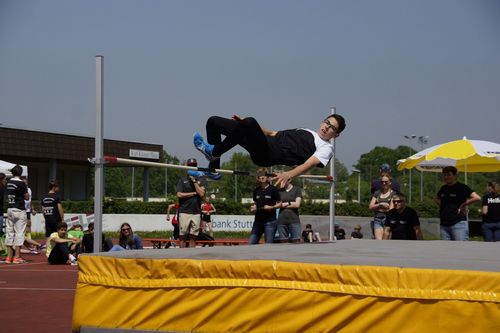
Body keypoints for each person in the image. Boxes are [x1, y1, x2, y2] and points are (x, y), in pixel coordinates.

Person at [193, 114, 346, 187]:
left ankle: (213, 153)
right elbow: (273, 133)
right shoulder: (305, 130)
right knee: (213, 122)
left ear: (336, 135)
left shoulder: (327, 147)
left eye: (332, 127)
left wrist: (289, 174)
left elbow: (309, 164)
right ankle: (213, 170)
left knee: (250, 121)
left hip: (268, 154)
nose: (326, 127)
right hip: (264, 141)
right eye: (327, 122)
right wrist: (244, 126)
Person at [435, 166, 481, 241]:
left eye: (449, 174)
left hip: (458, 224)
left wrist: (464, 204)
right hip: (444, 225)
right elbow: (436, 198)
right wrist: (443, 206)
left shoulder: (462, 187)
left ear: (455, 176)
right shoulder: (443, 188)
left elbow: (477, 198)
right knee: (445, 250)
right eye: (444, 175)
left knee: (460, 250)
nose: (446, 177)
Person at [176, 158, 206, 248]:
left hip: (196, 212)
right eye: (190, 166)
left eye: (194, 165)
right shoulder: (182, 180)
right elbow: (179, 194)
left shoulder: (201, 179)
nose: (192, 167)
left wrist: (194, 181)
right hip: (184, 211)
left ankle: (191, 256)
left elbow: (201, 194)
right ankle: (182, 257)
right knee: (183, 237)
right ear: (187, 167)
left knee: (193, 237)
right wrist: (193, 193)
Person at [248, 168, 281, 244]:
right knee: (251, 243)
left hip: (270, 221)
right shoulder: (256, 190)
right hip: (258, 221)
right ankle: (254, 256)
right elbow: (255, 204)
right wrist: (253, 208)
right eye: (260, 176)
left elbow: (280, 203)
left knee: (268, 245)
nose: (262, 177)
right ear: (258, 178)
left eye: (264, 175)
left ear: (267, 177)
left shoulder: (273, 189)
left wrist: (272, 207)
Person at [5, 165, 29, 264]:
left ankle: (8, 257)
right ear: (21, 173)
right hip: (19, 209)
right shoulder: (22, 183)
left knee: (9, 233)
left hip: (10, 208)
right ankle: (17, 257)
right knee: (19, 233)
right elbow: (26, 197)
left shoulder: (8, 182)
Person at [368, 174, 395, 240]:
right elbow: (370, 207)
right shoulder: (377, 193)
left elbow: (391, 210)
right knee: (379, 242)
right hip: (378, 220)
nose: (384, 183)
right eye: (382, 182)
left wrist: (377, 208)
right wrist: (381, 204)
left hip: (388, 220)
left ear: (390, 182)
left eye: (386, 181)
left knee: (387, 242)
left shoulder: (393, 194)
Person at [276, 178, 302, 243]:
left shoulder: (297, 189)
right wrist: (291, 203)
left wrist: (286, 203)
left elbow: (297, 204)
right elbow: (277, 205)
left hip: (294, 219)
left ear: (289, 180)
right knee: (283, 242)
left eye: (284, 180)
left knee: (296, 241)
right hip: (282, 220)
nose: (282, 181)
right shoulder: (279, 191)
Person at [21, 176, 42, 254]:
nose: (26, 183)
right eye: (24, 181)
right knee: (24, 228)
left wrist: (32, 209)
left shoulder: (29, 189)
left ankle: (31, 245)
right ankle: (31, 245)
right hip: (22, 210)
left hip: (28, 210)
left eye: (26, 181)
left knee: (29, 226)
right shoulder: (21, 189)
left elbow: (30, 200)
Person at [41, 181, 64, 245]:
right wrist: (62, 218)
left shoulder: (44, 197)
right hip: (56, 219)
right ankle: (58, 248)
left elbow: (42, 210)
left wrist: (46, 217)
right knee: (58, 234)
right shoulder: (57, 197)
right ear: (54, 187)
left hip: (48, 219)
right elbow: (60, 208)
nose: (58, 188)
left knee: (48, 235)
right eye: (57, 187)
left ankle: (48, 249)